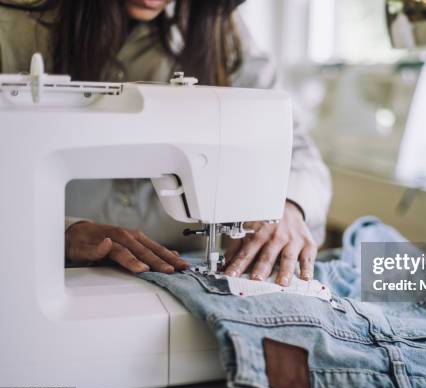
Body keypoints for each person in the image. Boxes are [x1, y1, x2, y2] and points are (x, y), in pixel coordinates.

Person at [0, 0, 331, 286]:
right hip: (52, 266)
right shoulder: (15, 30)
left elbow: (297, 150)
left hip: (184, 261)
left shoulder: (219, 29)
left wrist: (287, 205)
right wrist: (61, 233)